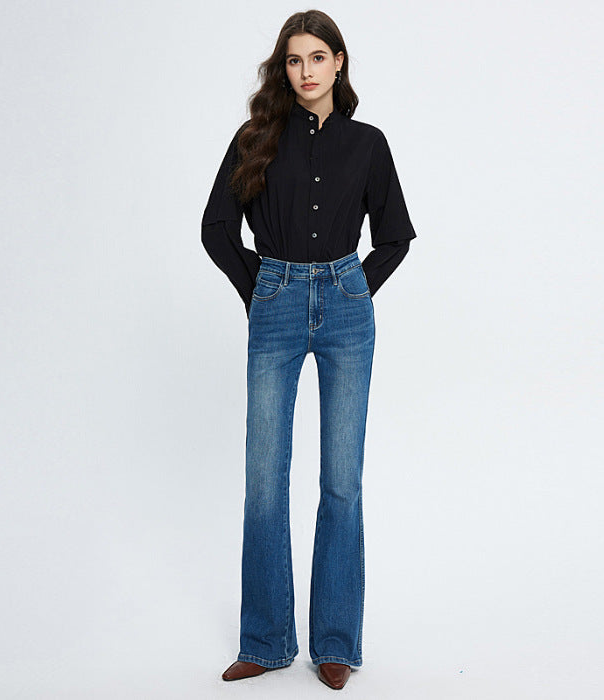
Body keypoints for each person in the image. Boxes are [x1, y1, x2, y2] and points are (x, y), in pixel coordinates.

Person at [201, 9, 416, 691]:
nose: (306, 71)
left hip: (347, 309)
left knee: (341, 480)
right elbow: (216, 228)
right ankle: (266, 642)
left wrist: (354, 288)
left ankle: (334, 642)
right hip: (278, 299)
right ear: (283, 68)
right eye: (294, 60)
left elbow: (395, 235)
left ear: (338, 62)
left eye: (317, 57)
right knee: (265, 479)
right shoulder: (255, 137)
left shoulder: (368, 143)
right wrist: (261, 290)